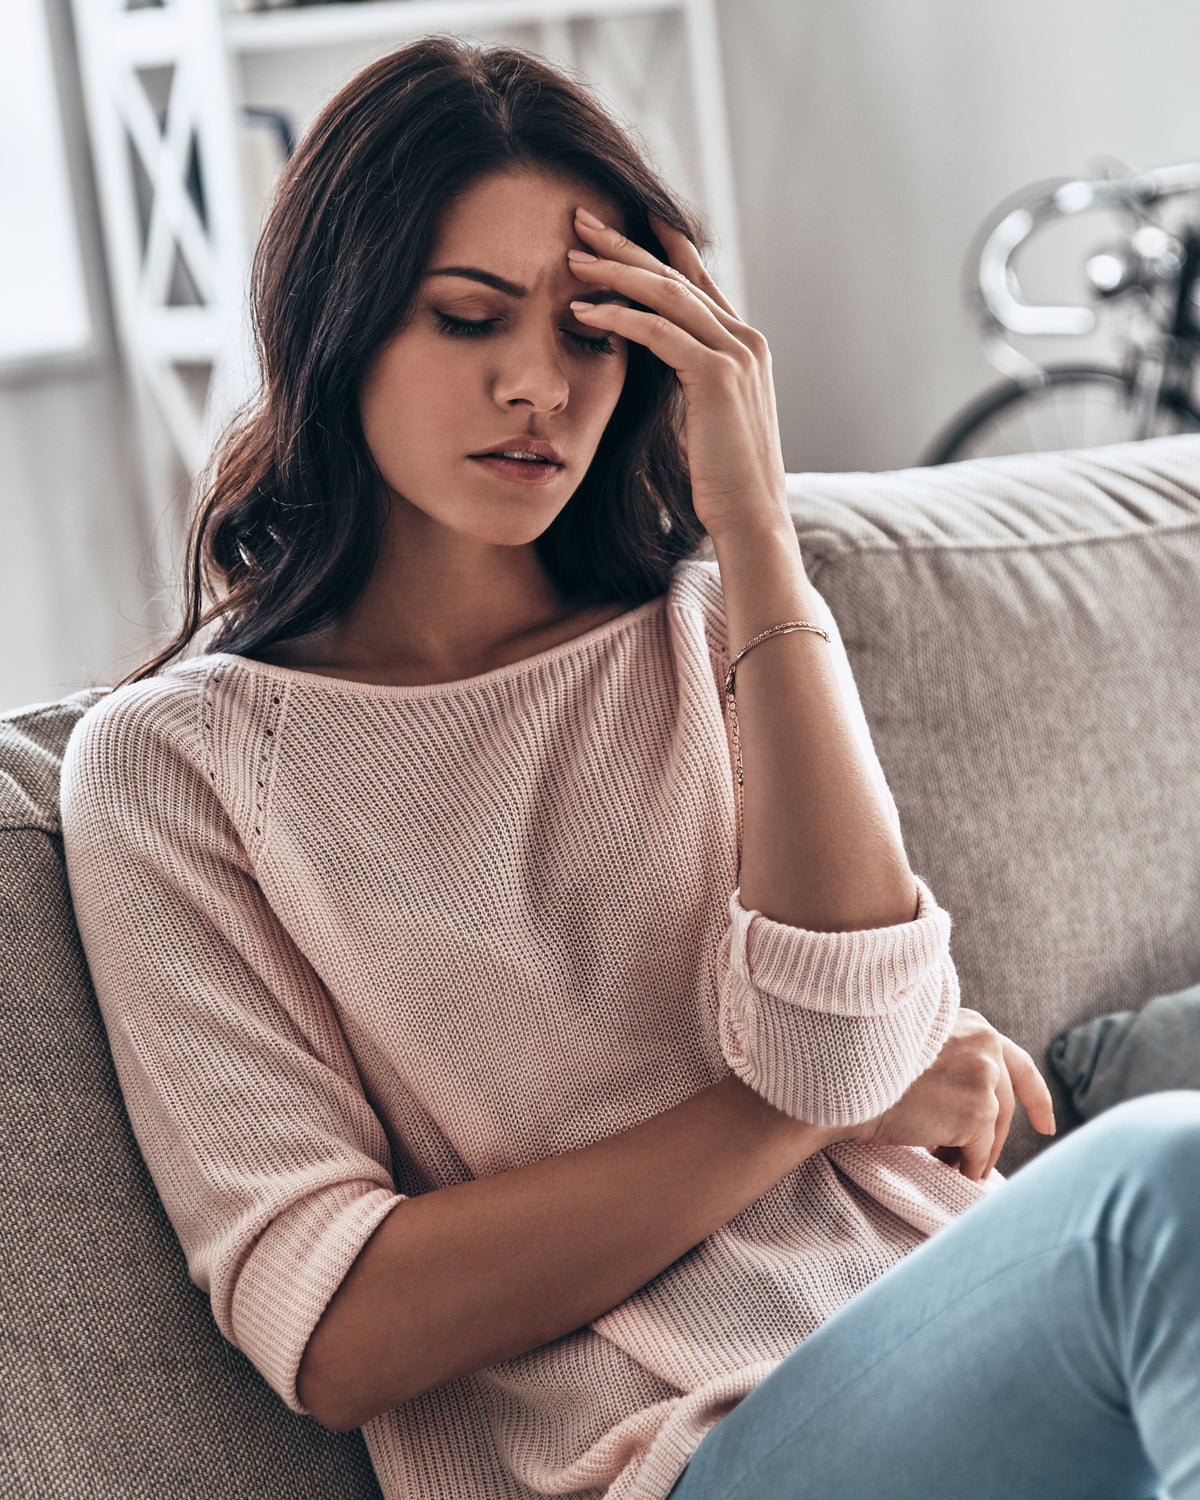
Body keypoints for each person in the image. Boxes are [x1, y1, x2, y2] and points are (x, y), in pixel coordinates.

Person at [59, 36, 1200, 1500]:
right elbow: (338, 1322)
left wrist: (758, 529)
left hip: (966, 1350)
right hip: (684, 1461)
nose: (538, 383)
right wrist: (806, 1109)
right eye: (469, 319)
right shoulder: (179, 771)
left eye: (592, 332)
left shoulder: (714, 631)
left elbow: (846, 1028)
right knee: (1163, 1183)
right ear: (338, 333)